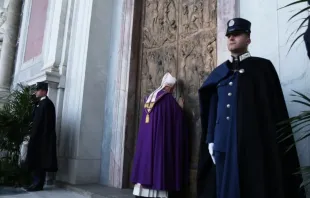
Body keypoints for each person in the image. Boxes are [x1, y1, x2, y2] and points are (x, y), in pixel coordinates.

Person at [197, 18, 305, 198]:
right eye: (229, 35)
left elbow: (272, 110)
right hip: (222, 144)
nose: (231, 38)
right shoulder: (220, 73)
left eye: (237, 34)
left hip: (252, 143)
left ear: (248, 39)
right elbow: (213, 108)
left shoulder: (262, 68)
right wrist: (210, 139)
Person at [131, 73, 188, 198]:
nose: (173, 91)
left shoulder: (150, 97)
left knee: (146, 159)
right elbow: (177, 119)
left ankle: (140, 191)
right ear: (170, 87)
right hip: (159, 142)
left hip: (147, 141)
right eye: (173, 89)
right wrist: (180, 108)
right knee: (158, 162)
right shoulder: (168, 99)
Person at [25, 82, 58, 191]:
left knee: (40, 162)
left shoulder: (47, 104)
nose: (35, 92)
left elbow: (46, 124)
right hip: (36, 138)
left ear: (44, 91)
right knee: (35, 161)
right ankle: (34, 183)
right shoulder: (40, 103)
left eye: (38, 90)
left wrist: (41, 139)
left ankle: (38, 184)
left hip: (42, 140)